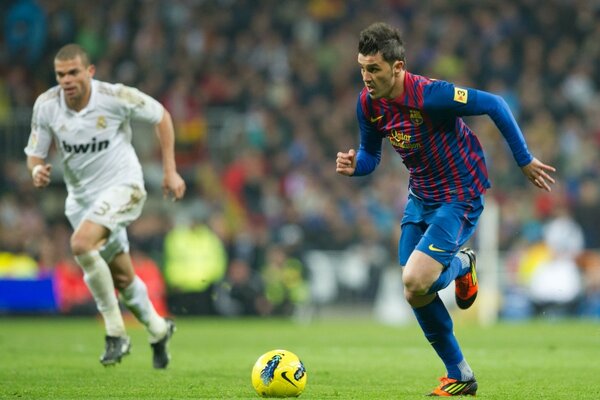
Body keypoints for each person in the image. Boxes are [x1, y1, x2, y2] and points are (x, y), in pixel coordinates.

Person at [336, 22, 556, 396]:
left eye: (374, 69)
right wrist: (356, 165)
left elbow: (494, 104)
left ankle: (462, 264)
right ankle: (461, 374)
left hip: (459, 194)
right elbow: (372, 154)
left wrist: (523, 159)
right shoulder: (368, 104)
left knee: (414, 279)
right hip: (421, 196)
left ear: (398, 66)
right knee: (414, 290)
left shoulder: (431, 96)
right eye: (362, 68)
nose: (367, 77)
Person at [25, 44, 186, 368]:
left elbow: (162, 117)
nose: (66, 80)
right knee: (124, 279)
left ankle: (115, 332)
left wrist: (170, 170)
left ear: (90, 72)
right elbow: (35, 152)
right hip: (82, 201)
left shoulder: (115, 97)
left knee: (81, 244)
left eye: (73, 72)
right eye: (60, 74)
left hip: (123, 187)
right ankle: (157, 329)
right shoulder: (46, 105)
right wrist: (36, 170)